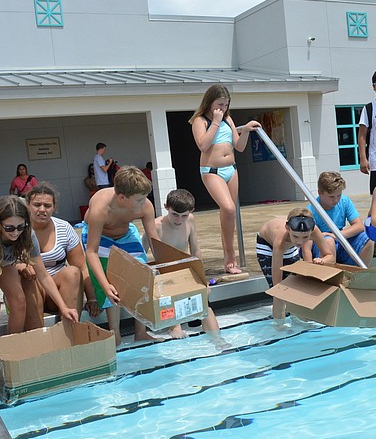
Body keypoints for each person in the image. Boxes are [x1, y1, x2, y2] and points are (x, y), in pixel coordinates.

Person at [0, 196, 79, 344]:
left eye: (20, 227)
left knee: (19, 300)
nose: (15, 232)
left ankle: (13, 348)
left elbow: (43, 275)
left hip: (1, 252)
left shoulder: (26, 234)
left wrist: (63, 307)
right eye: (9, 228)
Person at [82, 165, 160, 346]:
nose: (144, 203)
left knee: (142, 273)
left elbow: (155, 242)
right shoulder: (101, 208)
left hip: (125, 234)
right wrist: (105, 285)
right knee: (111, 279)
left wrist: (167, 267)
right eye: (139, 200)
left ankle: (141, 332)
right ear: (122, 197)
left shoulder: (145, 205)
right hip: (99, 235)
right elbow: (91, 252)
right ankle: (114, 332)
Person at [190, 83, 261, 275]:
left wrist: (245, 130)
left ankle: (229, 260)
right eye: (219, 104)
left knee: (229, 214)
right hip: (212, 171)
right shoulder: (200, 120)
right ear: (210, 102)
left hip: (231, 169)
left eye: (226, 105)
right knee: (228, 208)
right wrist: (215, 121)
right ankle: (230, 256)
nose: (222, 108)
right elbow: (203, 145)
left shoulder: (228, 119)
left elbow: (238, 147)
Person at [143, 188, 222, 341]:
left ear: (191, 212)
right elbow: (141, 256)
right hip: (164, 276)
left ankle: (219, 341)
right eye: (174, 215)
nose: (179, 220)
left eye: (183, 216)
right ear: (166, 207)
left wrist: (202, 280)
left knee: (206, 308)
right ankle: (174, 326)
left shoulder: (190, 220)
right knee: (175, 321)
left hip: (185, 272)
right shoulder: (155, 226)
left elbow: (196, 251)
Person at [20, 183, 96, 331]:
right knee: (27, 277)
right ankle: (38, 340)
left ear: (54, 208)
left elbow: (82, 266)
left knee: (73, 272)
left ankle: (71, 334)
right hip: (31, 290)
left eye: (47, 206)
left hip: (58, 290)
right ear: (28, 205)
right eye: (37, 205)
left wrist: (92, 298)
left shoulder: (64, 228)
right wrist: (20, 265)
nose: (42, 210)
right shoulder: (17, 229)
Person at [257, 207, 334, 322]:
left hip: (289, 246)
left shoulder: (313, 231)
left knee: (298, 287)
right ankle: (278, 327)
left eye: (305, 237)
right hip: (267, 246)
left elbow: (330, 256)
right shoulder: (280, 241)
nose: (300, 242)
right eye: (296, 236)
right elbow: (277, 284)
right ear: (287, 228)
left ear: (311, 231)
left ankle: (302, 322)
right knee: (279, 291)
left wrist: (322, 261)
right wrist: (280, 290)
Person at [307, 171, 374, 267]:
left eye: (338, 195)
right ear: (320, 193)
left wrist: (336, 235)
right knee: (328, 241)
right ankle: (330, 276)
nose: (336, 200)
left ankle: (361, 274)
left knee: (367, 238)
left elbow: (359, 226)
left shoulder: (344, 201)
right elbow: (307, 241)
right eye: (331, 197)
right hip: (322, 246)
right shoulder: (311, 210)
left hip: (340, 240)